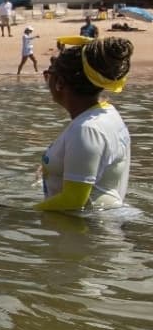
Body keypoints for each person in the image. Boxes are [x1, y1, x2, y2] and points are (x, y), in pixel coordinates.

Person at [37, 37, 133, 210]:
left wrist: (19, 215)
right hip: (99, 228)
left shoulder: (87, 129)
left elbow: (73, 201)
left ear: (59, 83)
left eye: (48, 74)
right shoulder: (107, 113)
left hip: (87, 232)